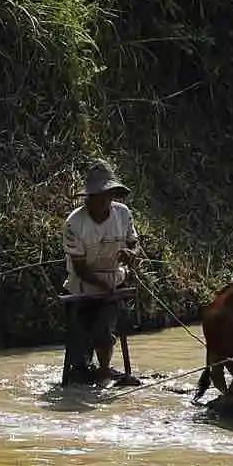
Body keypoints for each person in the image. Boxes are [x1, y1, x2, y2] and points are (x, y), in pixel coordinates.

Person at [61, 160, 140, 385]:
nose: (104, 200)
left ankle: (104, 370)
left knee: (104, 332)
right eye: (98, 195)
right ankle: (81, 369)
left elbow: (134, 243)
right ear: (88, 198)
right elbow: (81, 268)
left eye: (108, 194)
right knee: (78, 342)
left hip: (113, 282)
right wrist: (104, 287)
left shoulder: (123, 214)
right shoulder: (74, 223)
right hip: (82, 286)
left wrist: (131, 253)